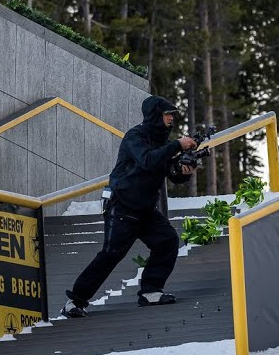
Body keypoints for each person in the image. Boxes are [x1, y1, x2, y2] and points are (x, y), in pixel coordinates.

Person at [62, 95, 197, 317]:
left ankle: (151, 292)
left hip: (145, 209)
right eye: (167, 114)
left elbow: (170, 173)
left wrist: (184, 172)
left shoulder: (163, 144)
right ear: (155, 115)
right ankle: (75, 302)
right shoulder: (135, 136)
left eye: (172, 115)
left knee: (167, 241)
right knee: (111, 254)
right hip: (123, 207)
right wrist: (177, 145)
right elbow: (147, 160)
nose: (171, 119)